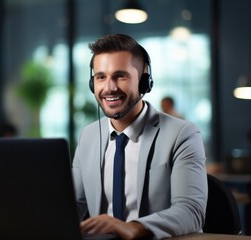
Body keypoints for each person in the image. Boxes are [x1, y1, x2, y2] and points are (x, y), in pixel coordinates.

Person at [72, 34, 207, 239]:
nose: (109, 87)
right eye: (101, 77)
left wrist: (135, 227)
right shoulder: (88, 136)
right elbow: (74, 204)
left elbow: (191, 211)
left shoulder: (182, 134)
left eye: (121, 76)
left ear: (144, 82)